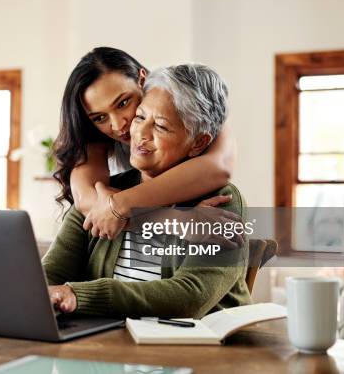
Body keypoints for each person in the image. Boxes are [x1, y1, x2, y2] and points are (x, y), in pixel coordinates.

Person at [43, 64, 251, 318]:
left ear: (198, 143)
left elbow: (189, 297)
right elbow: (50, 274)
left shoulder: (224, 201)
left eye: (161, 127)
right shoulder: (104, 195)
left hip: (196, 348)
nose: (139, 133)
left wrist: (80, 295)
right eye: (140, 117)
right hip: (111, 345)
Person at [53, 47, 236, 240]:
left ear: (142, 80)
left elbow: (219, 167)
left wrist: (120, 205)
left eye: (123, 103)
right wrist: (174, 222)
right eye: (99, 117)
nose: (118, 125)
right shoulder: (96, 139)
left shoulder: (194, 107)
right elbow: (88, 201)